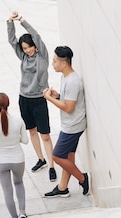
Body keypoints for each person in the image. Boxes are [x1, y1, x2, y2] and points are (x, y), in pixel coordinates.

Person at [7, 11, 57, 182]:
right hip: (24, 98)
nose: (27, 50)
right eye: (25, 48)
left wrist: (21, 20)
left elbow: (36, 35)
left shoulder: (42, 55)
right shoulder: (23, 56)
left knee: (45, 135)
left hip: (39, 99)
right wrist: (9, 22)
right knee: (32, 131)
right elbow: (12, 41)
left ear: (35, 45)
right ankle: (41, 159)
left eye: (29, 46)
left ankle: (51, 165)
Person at [43, 46, 89, 198]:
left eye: (55, 61)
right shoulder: (65, 77)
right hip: (71, 123)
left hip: (73, 126)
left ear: (64, 63)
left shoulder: (73, 81)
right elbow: (68, 99)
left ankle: (82, 179)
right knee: (68, 156)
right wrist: (57, 96)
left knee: (56, 156)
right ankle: (63, 188)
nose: (52, 64)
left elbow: (69, 108)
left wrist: (49, 99)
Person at [0, 93, 29, 218]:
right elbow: (25, 141)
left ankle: (14, 217)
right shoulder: (19, 121)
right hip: (18, 159)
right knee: (19, 183)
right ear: (8, 104)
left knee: (7, 190)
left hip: (1, 161)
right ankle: (22, 212)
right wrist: (15, 137)